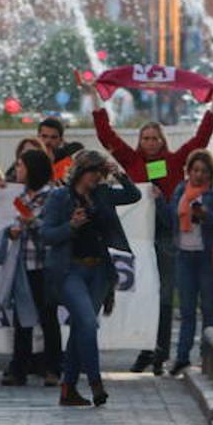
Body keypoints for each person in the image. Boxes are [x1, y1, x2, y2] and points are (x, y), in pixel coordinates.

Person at [80, 76, 213, 375]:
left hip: (167, 236)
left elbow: (200, 141)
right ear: (140, 141)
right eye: (145, 138)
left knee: (165, 295)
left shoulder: (174, 161)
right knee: (142, 292)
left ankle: (160, 351)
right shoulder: (131, 160)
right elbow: (106, 135)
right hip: (138, 239)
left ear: (163, 141)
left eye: (155, 138)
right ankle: (145, 349)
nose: (150, 142)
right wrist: (94, 97)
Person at [39, 150, 141, 407]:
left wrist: (119, 173)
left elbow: (133, 195)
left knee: (81, 327)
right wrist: (71, 226)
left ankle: (68, 389)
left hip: (99, 271)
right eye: (94, 172)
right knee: (87, 322)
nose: (97, 177)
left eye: (101, 172)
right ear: (81, 172)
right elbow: (46, 234)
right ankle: (95, 382)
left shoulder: (102, 194)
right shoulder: (60, 197)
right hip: (69, 270)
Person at [0, 148, 61, 387]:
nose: (16, 169)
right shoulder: (21, 197)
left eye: (20, 165)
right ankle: (19, 369)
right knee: (22, 318)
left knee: (48, 318)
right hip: (23, 265)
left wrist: (33, 223)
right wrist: (12, 231)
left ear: (32, 169)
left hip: (45, 266)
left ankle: (53, 368)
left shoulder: (52, 197)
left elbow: (53, 229)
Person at [169, 150, 213, 376]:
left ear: (211, 174)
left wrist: (208, 216)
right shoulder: (181, 190)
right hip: (184, 256)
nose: (198, 175)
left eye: (204, 171)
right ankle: (182, 357)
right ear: (188, 171)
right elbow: (170, 215)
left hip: (207, 257)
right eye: (195, 170)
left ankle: (208, 357)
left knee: (209, 308)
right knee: (186, 310)